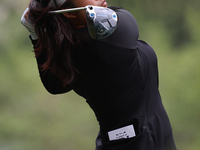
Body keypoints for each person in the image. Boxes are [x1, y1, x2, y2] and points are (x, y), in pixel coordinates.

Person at [21, 0, 177, 149]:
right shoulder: (116, 34)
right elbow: (121, 16)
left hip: (115, 141)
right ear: (68, 13)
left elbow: (53, 86)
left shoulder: (68, 51)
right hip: (144, 141)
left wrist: (36, 35)